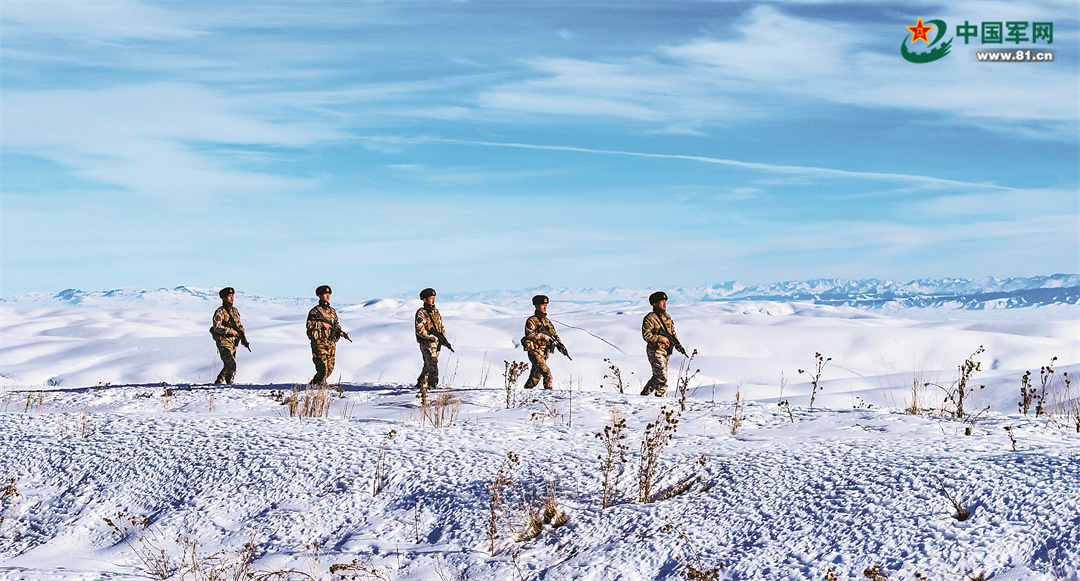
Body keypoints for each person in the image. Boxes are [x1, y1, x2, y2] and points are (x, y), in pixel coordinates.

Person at [641, 291, 681, 397]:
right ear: (654, 304)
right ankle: (660, 397)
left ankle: (645, 393)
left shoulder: (667, 317)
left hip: (666, 350)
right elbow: (646, 336)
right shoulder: (650, 318)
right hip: (655, 350)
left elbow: (672, 333)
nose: (664, 304)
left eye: (665, 301)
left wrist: (678, 345)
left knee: (657, 375)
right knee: (662, 375)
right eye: (661, 302)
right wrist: (660, 338)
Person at [521, 294, 565, 390]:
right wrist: (543, 336)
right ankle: (549, 395)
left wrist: (560, 346)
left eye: (546, 305)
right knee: (547, 373)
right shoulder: (531, 321)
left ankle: (526, 393)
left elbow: (554, 335)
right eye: (542, 305)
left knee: (535, 377)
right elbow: (529, 334)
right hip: (534, 351)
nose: (545, 307)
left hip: (544, 352)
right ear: (536, 306)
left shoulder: (547, 322)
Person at [209, 287, 248, 384]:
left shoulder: (234, 310)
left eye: (232, 296)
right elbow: (216, 327)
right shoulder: (220, 311)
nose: (232, 298)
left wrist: (243, 337)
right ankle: (229, 386)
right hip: (224, 342)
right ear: (223, 298)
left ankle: (218, 383)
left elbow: (239, 325)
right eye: (229, 296)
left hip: (233, 342)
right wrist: (230, 331)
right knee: (231, 365)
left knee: (228, 366)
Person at [414, 287, 446, 404]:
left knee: (429, 364)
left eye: (433, 298)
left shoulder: (435, 312)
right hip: (427, 343)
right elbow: (420, 329)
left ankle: (421, 382)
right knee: (432, 363)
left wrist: (443, 338)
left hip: (436, 344)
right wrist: (430, 337)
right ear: (424, 299)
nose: (432, 300)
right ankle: (432, 386)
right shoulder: (421, 313)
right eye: (430, 298)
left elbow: (440, 326)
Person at [306, 284, 342, 386]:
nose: (327, 296)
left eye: (328, 294)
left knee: (330, 368)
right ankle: (321, 387)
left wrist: (339, 331)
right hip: (319, 342)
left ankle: (314, 383)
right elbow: (309, 325)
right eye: (325, 294)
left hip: (330, 343)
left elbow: (335, 324)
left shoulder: (332, 311)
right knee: (323, 367)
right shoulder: (315, 311)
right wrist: (322, 324)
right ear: (319, 296)